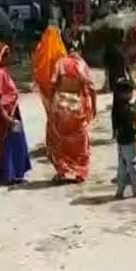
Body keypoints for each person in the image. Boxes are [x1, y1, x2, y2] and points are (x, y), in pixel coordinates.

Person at [47, 40, 97, 182]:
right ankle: (80, 172)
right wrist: (94, 106)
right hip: (77, 105)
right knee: (80, 139)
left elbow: (52, 84)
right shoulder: (82, 65)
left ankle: (62, 171)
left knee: (59, 137)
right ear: (79, 51)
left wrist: (51, 104)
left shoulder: (60, 63)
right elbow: (92, 88)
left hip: (61, 104)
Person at [0, 43, 32, 184]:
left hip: (11, 112)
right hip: (4, 117)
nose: (11, 57)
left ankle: (11, 174)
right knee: (7, 145)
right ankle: (8, 176)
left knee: (14, 143)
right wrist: (7, 118)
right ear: (1, 57)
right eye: (8, 54)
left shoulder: (1, 71)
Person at [112, 79, 136, 199]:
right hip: (129, 141)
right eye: (130, 92)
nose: (131, 95)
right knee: (133, 165)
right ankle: (135, 189)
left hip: (120, 142)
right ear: (125, 93)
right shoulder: (128, 109)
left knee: (122, 167)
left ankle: (120, 191)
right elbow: (132, 126)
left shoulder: (116, 107)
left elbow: (115, 126)